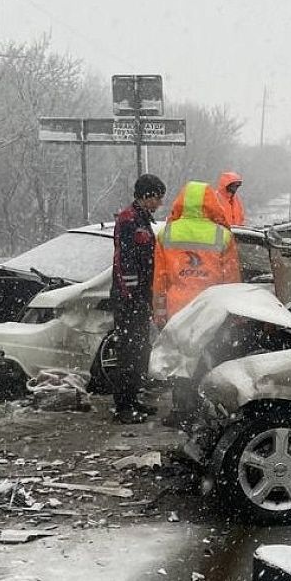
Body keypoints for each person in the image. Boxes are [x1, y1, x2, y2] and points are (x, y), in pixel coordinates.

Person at [152, 181, 242, 427]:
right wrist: (234, 313)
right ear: (209, 203)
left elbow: (159, 279)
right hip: (210, 308)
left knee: (181, 360)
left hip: (178, 310)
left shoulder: (166, 233)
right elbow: (231, 278)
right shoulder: (221, 235)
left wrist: (159, 312)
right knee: (210, 357)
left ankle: (182, 409)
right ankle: (207, 410)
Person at [110, 173, 166, 424]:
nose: (159, 203)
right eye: (157, 197)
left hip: (142, 298)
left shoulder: (143, 219)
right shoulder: (128, 220)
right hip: (128, 299)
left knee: (141, 350)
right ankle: (123, 406)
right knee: (129, 352)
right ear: (146, 195)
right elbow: (125, 261)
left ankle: (133, 399)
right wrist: (131, 295)